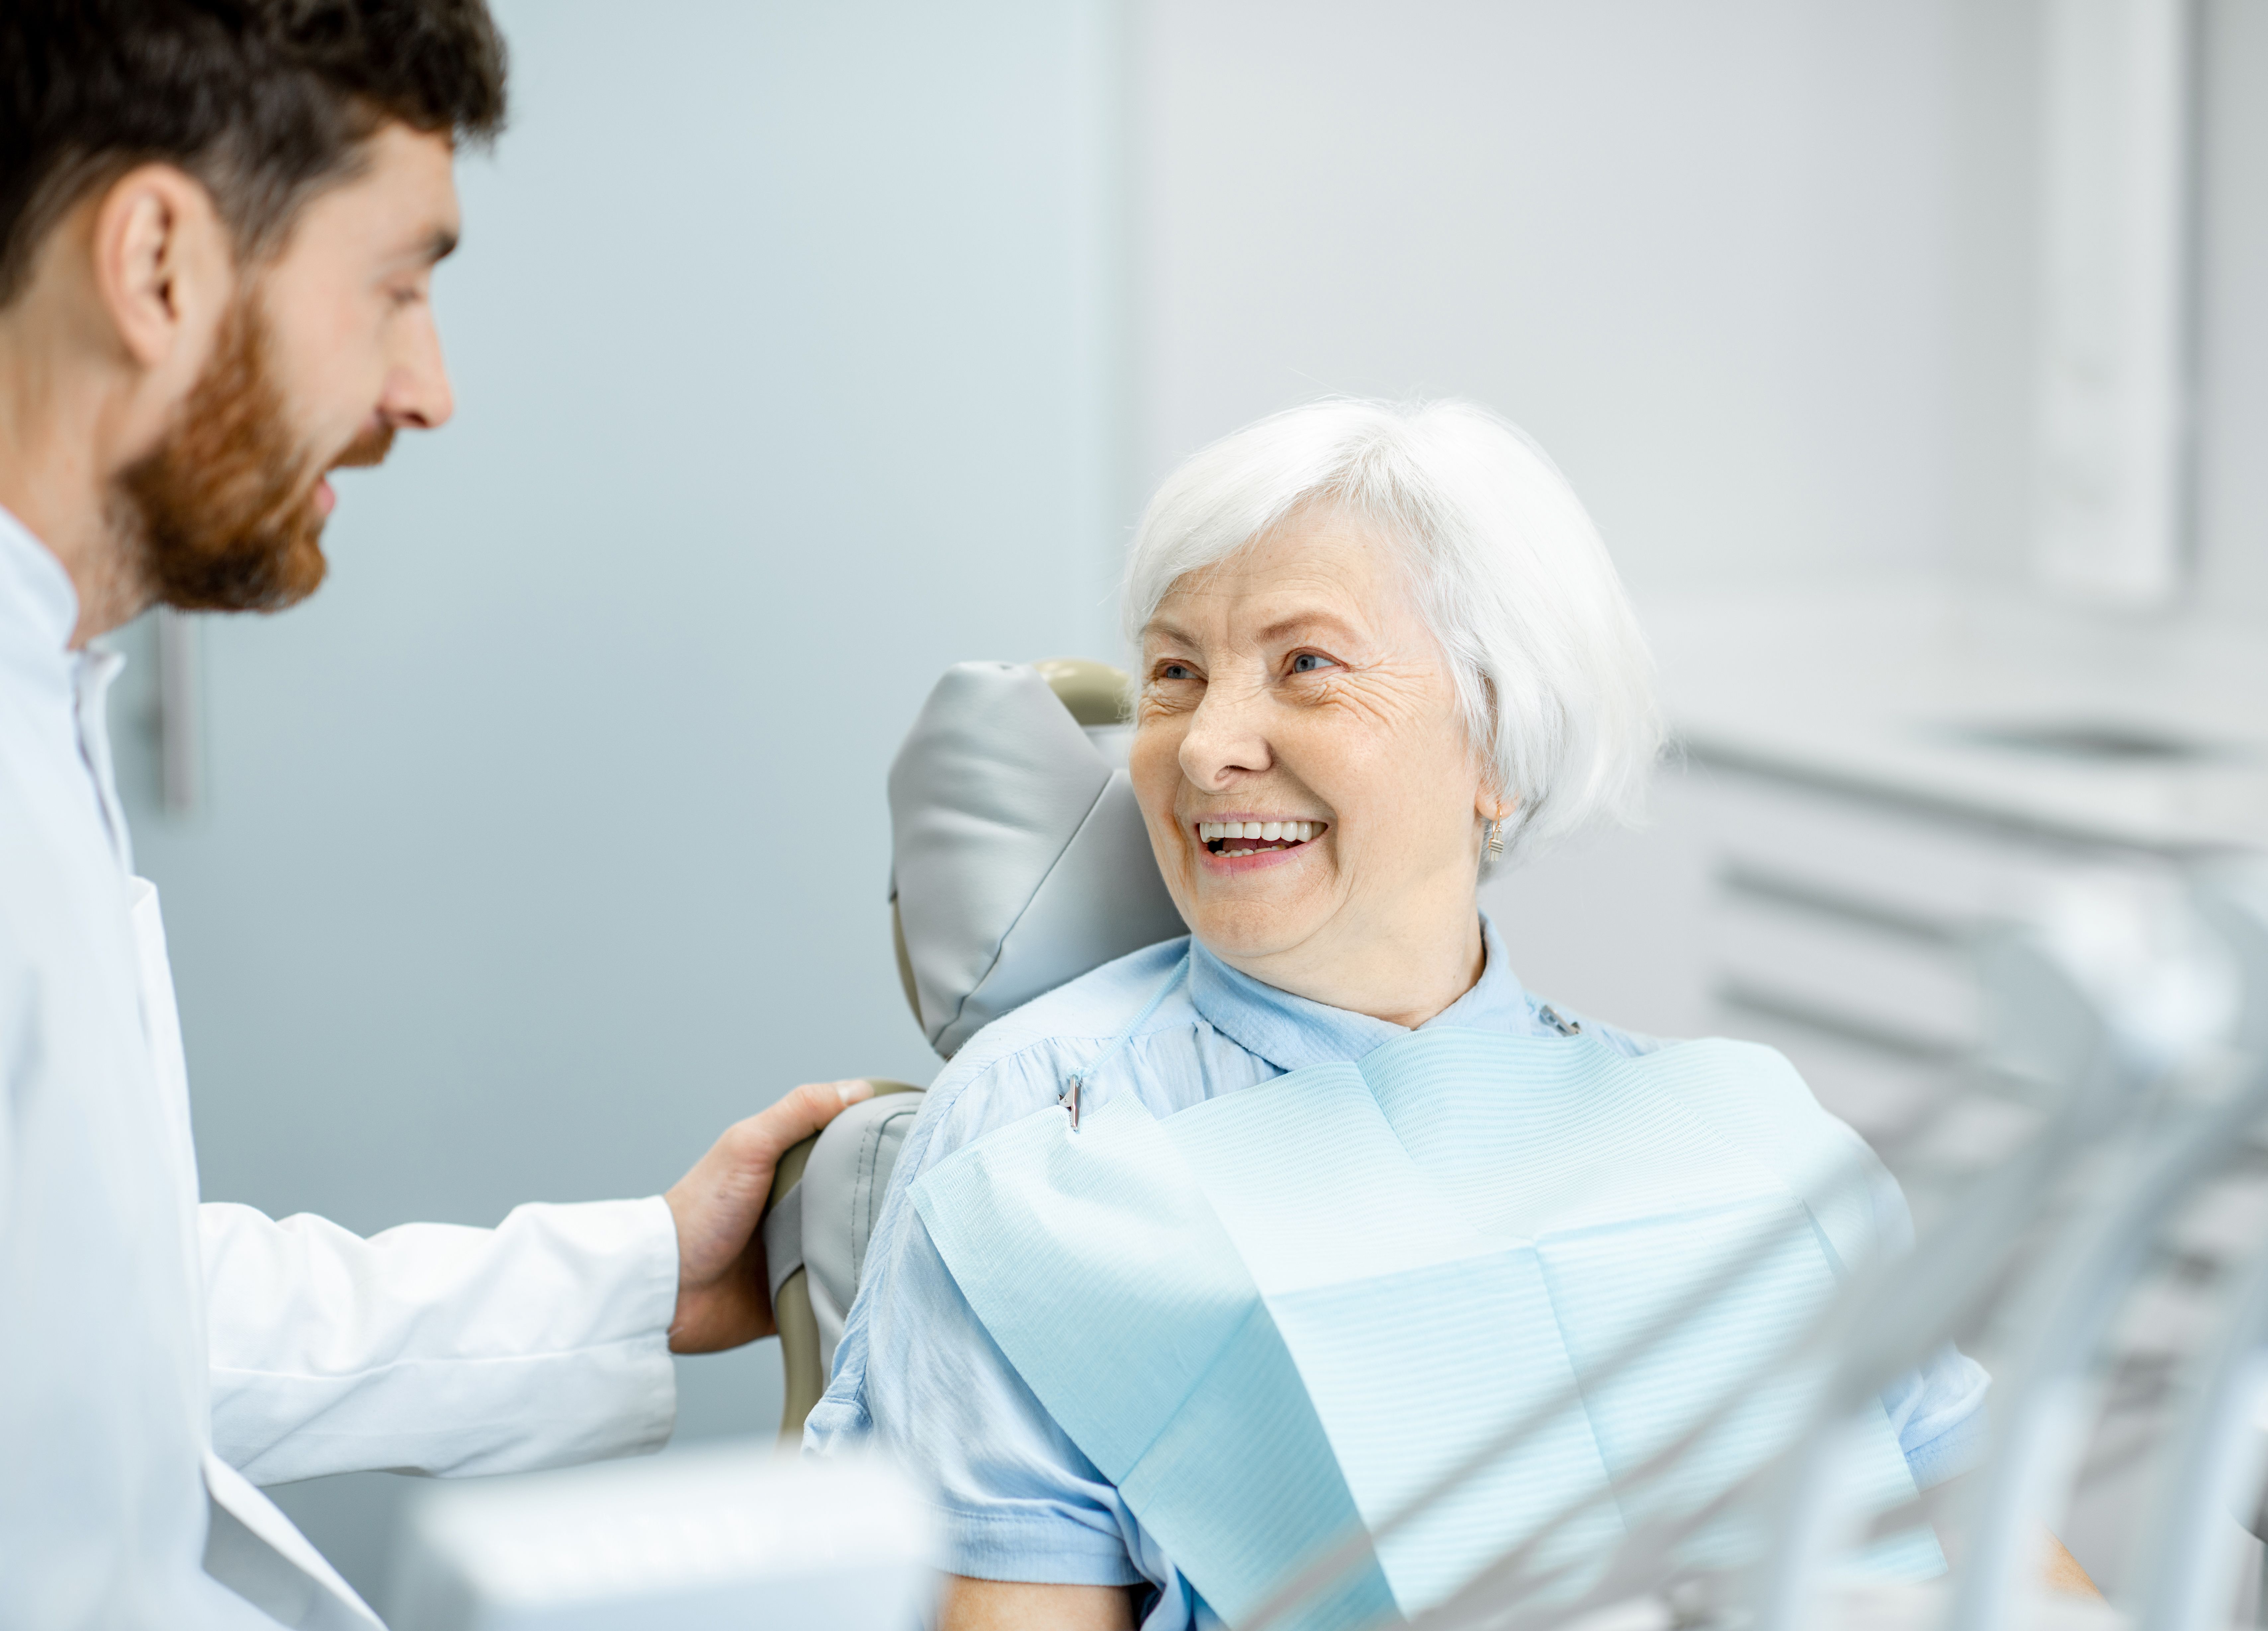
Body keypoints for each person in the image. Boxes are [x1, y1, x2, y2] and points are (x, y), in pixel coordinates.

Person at [811, 399, 2090, 1629]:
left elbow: (2014, 1579)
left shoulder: (1752, 1142)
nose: (1207, 748)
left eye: (1306, 666)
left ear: (1496, 742)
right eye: (1174, 674)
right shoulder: (1046, 1142)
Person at [0, 5, 869, 1626]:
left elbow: (82, 1310)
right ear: (160, 263)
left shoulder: (43, 694)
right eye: (398, 285)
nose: (430, 389)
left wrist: (649, 1275)